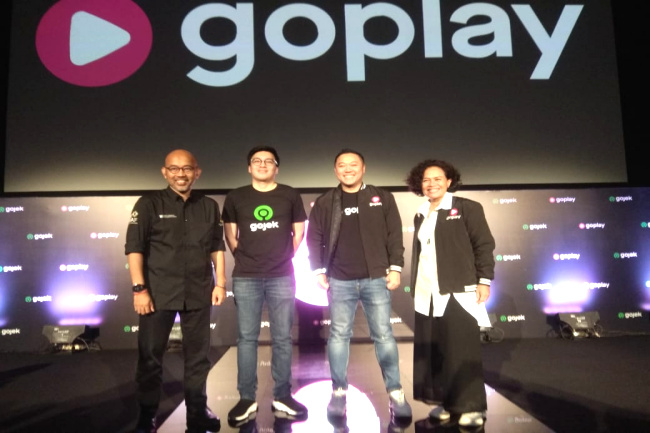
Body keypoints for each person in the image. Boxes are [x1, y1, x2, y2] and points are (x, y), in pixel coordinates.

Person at [125, 149, 227, 433]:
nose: (180, 174)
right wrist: (139, 289)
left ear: (197, 172)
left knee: (198, 358)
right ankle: (147, 415)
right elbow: (134, 248)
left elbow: (217, 246)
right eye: (174, 168)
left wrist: (220, 283)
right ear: (164, 172)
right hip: (157, 294)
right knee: (150, 357)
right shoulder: (148, 204)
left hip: (198, 292)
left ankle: (197, 411)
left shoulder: (209, 206)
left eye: (187, 168)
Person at [307, 149, 412, 421]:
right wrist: (318, 270)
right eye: (342, 165)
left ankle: (396, 392)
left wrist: (396, 267)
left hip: (376, 278)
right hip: (339, 279)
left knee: (384, 335)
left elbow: (394, 234)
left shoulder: (382, 197)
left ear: (363, 168)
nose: (348, 169)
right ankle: (339, 393)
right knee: (339, 335)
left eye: (353, 164)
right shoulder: (326, 201)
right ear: (335, 170)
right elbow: (314, 237)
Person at [405, 159, 495, 428]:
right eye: (426, 180)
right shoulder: (421, 212)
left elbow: (483, 245)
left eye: (437, 179)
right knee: (437, 350)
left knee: (462, 350)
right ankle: (447, 401)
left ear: (449, 181)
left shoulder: (466, 207)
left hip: (458, 290)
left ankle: (472, 407)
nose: (431, 184)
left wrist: (484, 280)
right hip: (427, 293)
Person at [222, 146, 308, 424]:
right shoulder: (236, 197)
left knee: (282, 338)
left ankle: (282, 395)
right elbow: (230, 236)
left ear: (276, 167)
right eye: (256, 161)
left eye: (268, 161)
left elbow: (298, 232)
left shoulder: (290, 194)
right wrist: (245, 257)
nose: (262, 164)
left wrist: (284, 256)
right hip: (246, 276)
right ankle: (246, 398)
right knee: (247, 339)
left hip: (282, 274)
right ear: (249, 167)